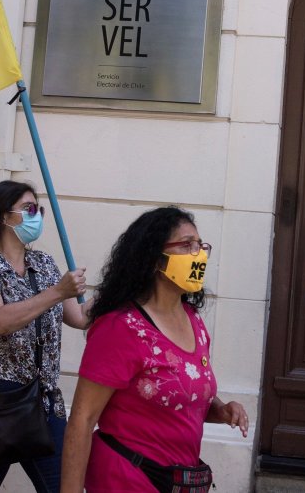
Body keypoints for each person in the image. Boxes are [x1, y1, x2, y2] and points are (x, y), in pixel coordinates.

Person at [61, 207, 249, 492]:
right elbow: (82, 419)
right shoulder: (121, 328)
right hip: (126, 476)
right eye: (187, 245)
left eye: (201, 246)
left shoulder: (194, 321)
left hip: (175, 479)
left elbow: (181, 395)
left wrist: (221, 410)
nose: (198, 255)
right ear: (153, 258)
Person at [0, 180, 88, 493]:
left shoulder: (43, 263)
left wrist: (126, 290)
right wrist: (57, 292)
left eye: (38, 209)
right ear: (3, 216)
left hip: (44, 401)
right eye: (28, 209)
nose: (36, 215)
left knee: (65, 487)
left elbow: (79, 317)